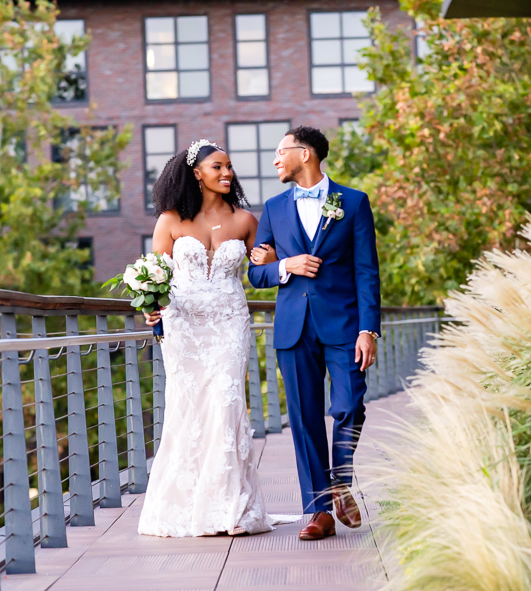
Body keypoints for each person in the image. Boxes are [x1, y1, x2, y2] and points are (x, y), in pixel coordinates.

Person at [137, 139, 296, 537]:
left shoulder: (245, 220)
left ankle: (231, 508)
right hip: (183, 325)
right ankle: (189, 505)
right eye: (217, 167)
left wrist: (269, 259)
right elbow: (154, 276)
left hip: (229, 322)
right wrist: (149, 307)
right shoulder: (170, 220)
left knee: (226, 405)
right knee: (188, 409)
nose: (226, 173)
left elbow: (264, 271)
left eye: (229, 167)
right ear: (197, 173)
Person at [248, 126, 381, 541]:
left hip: (344, 324)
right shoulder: (272, 208)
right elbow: (256, 273)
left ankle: (340, 478)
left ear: (304, 154)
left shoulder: (353, 202)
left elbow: (367, 270)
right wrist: (285, 266)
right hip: (293, 326)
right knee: (305, 420)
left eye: (279, 152)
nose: (275, 160)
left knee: (349, 405)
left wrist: (368, 329)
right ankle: (319, 511)